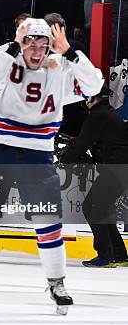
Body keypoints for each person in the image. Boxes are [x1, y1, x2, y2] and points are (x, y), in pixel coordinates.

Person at [0, 18, 103, 314]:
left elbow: (94, 85)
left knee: (48, 222)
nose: (37, 50)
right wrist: (11, 47)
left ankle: (56, 282)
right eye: (30, 43)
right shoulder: (5, 57)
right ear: (20, 43)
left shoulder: (59, 65)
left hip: (38, 153)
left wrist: (71, 53)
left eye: (42, 44)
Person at [59, 85, 128, 268]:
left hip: (116, 168)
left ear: (92, 98)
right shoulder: (107, 112)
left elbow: (83, 143)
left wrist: (64, 158)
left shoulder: (98, 115)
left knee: (93, 207)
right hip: (119, 168)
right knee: (101, 209)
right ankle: (119, 254)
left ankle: (106, 255)